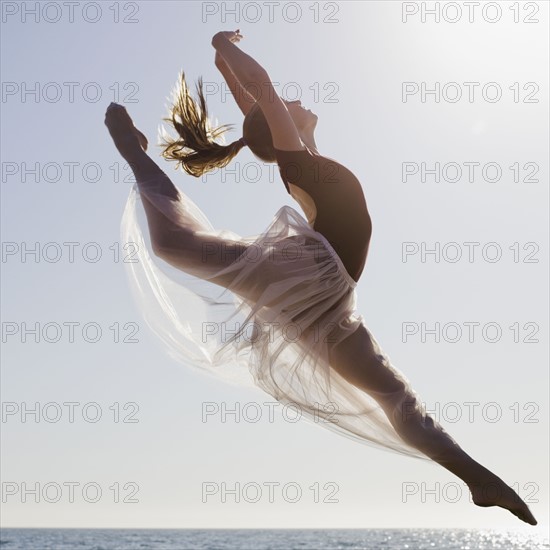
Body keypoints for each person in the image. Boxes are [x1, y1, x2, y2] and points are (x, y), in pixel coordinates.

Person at [105, 30, 537, 525]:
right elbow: (262, 89)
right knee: (175, 244)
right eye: (287, 103)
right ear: (279, 122)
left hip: (333, 301)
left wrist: (227, 68)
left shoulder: (305, 154)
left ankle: (477, 480)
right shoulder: (298, 162)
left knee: (395, 396)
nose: (297, 99)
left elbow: (257, 100)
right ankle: (132, 149)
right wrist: (223, 46)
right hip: (308, 274)